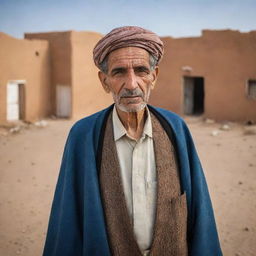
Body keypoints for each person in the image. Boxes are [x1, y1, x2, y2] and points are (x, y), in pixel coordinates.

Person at [43, 26, 222, 256]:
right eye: (119, 72)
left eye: (140, 70)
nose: (131, 84)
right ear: (104, 80)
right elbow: (67, 222)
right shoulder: (83, 135)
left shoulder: (175, 128)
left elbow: (200, 214)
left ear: (154, 76)